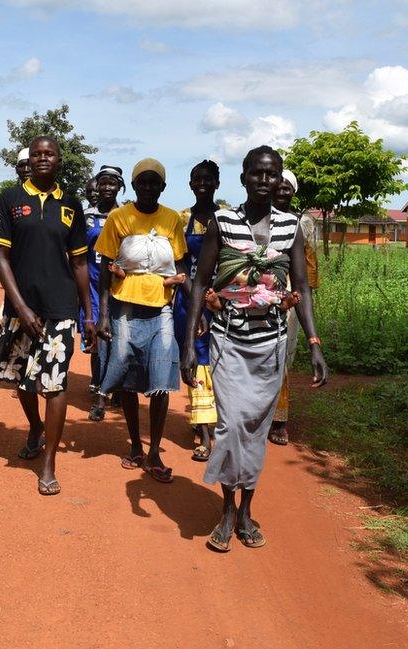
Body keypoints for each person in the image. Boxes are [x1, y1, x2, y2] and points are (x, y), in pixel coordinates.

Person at [183, 146, 328, 552]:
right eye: (257, 173)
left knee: (255, 431)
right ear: (244, 176)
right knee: (230, 426)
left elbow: (301, 287)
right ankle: (227, 511)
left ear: (280, 180)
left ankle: (246, 509)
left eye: (272, 174)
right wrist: (189, 343)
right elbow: (200, 282)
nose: (265, 181)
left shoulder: (291, 226)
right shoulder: (223, 222)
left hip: (272, 344)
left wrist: (314, 342)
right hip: (228, 340)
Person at [0, 135, 93, 496]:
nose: (42, 158)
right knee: (21, 377)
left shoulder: (71, 204)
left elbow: (79, 261)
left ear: (59, 160)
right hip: (21, 305)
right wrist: (20, 306)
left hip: (61, 307)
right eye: (36, 154)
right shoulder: (12, 200)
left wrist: (88, 314)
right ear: (28, 161)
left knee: (55, 382)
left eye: (49, 154)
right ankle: (34, 427)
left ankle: (48, 462)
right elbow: (1, 256)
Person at [96, 158, 187, 483]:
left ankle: (154, 451)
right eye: (142, 183)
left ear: (163, 187)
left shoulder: (172, 219)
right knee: (130, 380)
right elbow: (106, 269)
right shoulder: (119, 218)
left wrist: (193, 306)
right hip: (124, 309)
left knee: (161, 380)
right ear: (132, 186)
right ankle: (135, 446)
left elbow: (180, 264)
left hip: (161, 308)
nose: (148, 188)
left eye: (154, 183)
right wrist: (102, 316)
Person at [269, 170, 319, 445]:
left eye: (288, 187)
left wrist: (305, 301)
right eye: (279, 186)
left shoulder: (305, 223)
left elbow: (309, 264)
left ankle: (279, 419)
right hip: (263, 289)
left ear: (294, 191)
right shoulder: (262, 216)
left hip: (292, 293)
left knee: (284, 355)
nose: (282, 191)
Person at [174, 160, 220, 461]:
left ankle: (214, 421)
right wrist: (197, 302)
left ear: (217, 182)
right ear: (190, 183)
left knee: (222, 363)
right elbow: (179, 263)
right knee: (199, 361)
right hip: (190, 302)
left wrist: (215, 300)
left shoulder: (226, 219)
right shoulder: (181, 220)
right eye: (196, 178)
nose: (201, 183)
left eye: (207, 179)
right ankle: (204, 433)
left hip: (224, 302)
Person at [83, 166, 125, 421]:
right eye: (103, 183)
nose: (107, 187)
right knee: (98, 340)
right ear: (97, 186)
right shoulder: (85, 215)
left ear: (120, 186)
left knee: (119, 339)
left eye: (113, 183)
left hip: (120, 286)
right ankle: (99, 391)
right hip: (92, 285)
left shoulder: (126, 215)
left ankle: (117, 386)